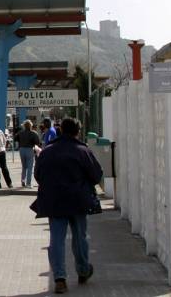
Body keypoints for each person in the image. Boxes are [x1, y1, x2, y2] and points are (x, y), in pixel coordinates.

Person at [33, 117, 103, 294]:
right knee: (80, 237)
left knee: (56, 239)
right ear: (78, 132)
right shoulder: (82, 151)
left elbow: (38, 175)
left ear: (61, 130)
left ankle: (60, 278)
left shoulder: (47, 151)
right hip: (78, 201)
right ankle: (83, 270)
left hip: (54, 201)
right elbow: (96, 175)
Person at [17, 120, 41, 187]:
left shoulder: (20, 133)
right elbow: (37, 142)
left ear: (24, 126)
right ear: (31, 126)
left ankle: (23, 180)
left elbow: (16, 138)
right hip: (29, 149)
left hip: (21, 149)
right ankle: (28, 183)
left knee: (24, 166)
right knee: (30, 167)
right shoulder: (34, 133)